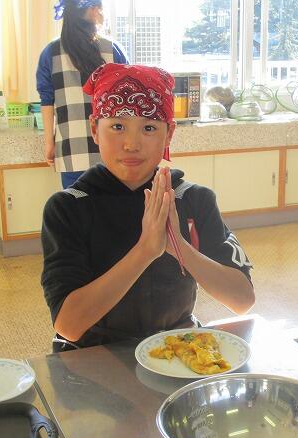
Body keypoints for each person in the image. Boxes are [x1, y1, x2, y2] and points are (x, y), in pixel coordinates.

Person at [40, 63, 255, 351]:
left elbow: (243, 300)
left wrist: (178, 246)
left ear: (169, 134)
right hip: (95, 354)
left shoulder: (194, 200)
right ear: (94, 129)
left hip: (176, 349)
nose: (131, 144)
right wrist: (145, 251)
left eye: (149, 128)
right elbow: (69, 325)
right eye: (117, 127)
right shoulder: (68, 208)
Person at [36, 0, 128, 189]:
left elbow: (46, 101)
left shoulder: (50, 53)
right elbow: (128, 100)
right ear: (93, 10)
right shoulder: (112, 50)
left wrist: (49, 144)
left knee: (75, 205)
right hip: (112, 150)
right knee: (114, 205)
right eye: (101, 9)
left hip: (71, 150)